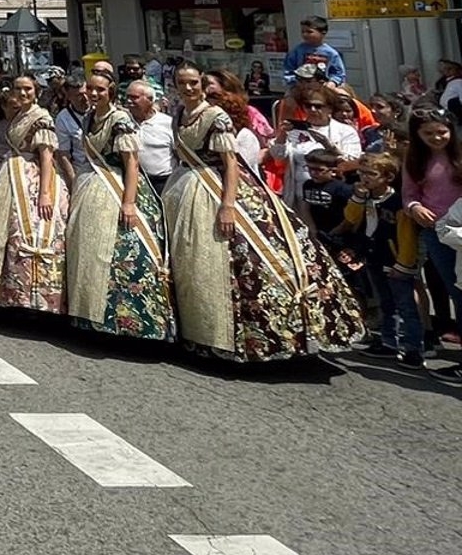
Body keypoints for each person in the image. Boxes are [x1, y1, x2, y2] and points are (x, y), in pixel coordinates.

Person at [160, 65, 362, 362]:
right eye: (182, 83)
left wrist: (228, 206)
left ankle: (236, 334)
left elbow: (231, 163)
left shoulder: (216, 117)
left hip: (217, 189)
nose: (188, 88)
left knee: (241, 256)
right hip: (183, 189)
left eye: (194, 83)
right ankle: (192, 329)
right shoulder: (179, 113)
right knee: (189, 260)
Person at [64, 66, 173, 342]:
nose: (93, 93)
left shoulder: (120, 120)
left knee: (118, 253)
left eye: (100, 89)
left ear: (110, 91)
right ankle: (87, 314)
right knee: (86, 249)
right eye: (90, 88)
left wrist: (129, 203)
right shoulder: (89, 118)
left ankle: (121, 320)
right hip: (89, 187)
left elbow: (132, 164)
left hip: (115, 188)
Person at [0, 75, 69, 315]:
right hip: (12, 176)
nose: (23, 93)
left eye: (27, 89)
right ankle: (12, 293)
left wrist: (45, 193)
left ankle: (37, 297)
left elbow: (46, 157)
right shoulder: (18, 115)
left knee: (31, 232)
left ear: (36, 92)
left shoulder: (41, 118)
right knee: (7, 233)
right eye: (18, 89)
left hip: (32, 180)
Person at [334, 152, 423, 365]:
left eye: (371, 174)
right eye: (362, 173)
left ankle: (413, 349)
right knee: (385, 303)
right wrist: (358, 197)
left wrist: (403, 264)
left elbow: (407, 236)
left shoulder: (397, 203)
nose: (364, 178)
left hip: (395, 259)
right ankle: (388, 342)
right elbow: (351, 218)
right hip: (374, 256)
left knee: (405, 306)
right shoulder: (365, 197)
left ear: (388, 177)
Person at [401, 106, 462, 340]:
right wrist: (415, 208)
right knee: (456, 290)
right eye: (428, 133)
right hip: (437, 232)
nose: (436, 138)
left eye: (441, 132)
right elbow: (409, 195)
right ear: (417, 134)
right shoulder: (414, 158)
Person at [126, 80, 175, 198]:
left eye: (134, 97)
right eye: (128, 97)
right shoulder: (123, 122)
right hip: (133, 183)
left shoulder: (168, 123)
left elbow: (179, 154)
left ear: (150, 100)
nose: (129, 101)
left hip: (163, 184)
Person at [281, 16, 345, 85]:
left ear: (323, 33)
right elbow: (288, 70)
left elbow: (338, 73)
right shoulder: (296, 51)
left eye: (309, 32)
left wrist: (333, 82)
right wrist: (294, 81)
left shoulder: (331, 53)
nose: (305, 34)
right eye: (303, 31)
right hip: (301, 86)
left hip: (323, 86)